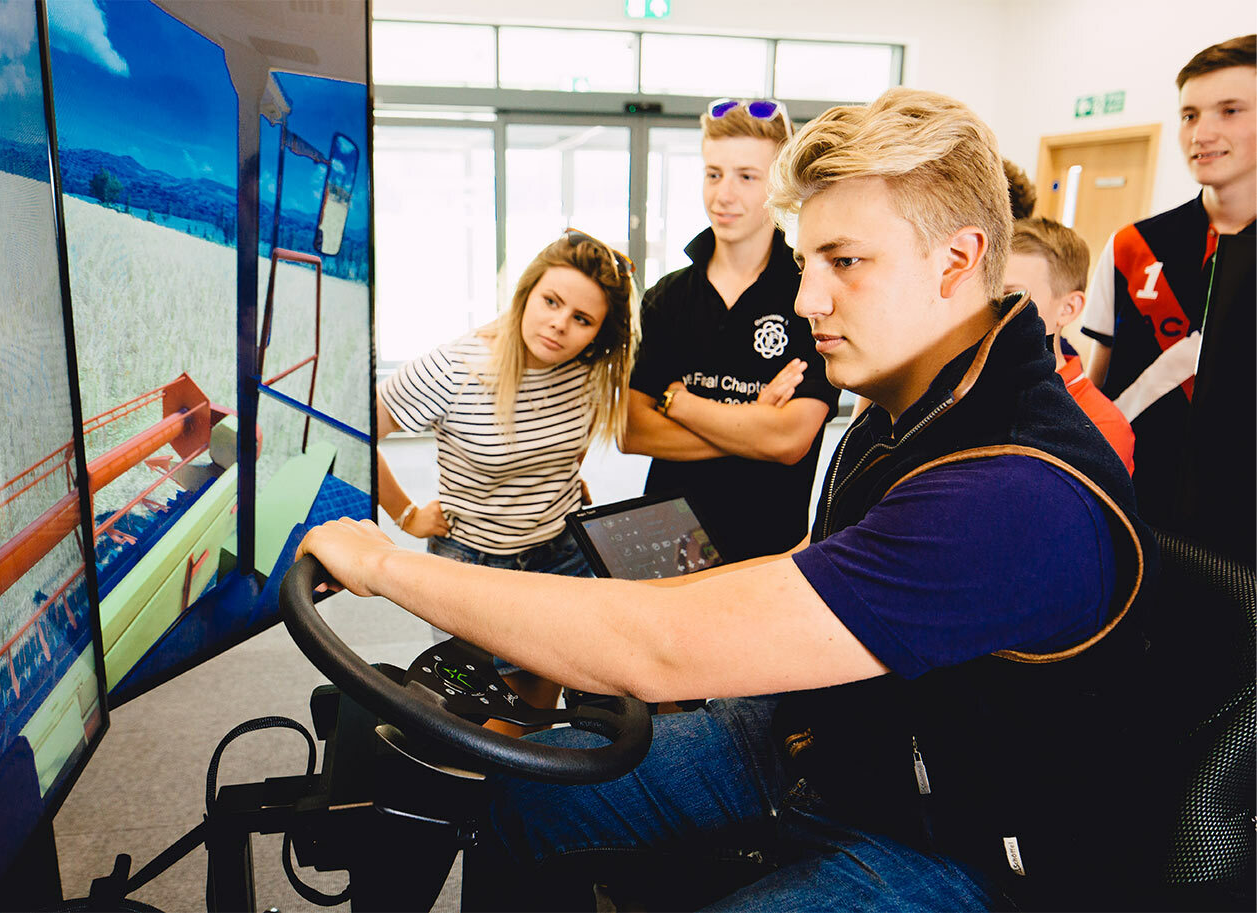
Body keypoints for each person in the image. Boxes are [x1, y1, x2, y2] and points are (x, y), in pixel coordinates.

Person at [299, 88, 1155, 910]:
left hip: (956, 845)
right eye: (809, 259)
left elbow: (664, 651)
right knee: (519, 793)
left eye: (845, 262)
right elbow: (791, 570)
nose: (809, 297)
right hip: (830, 744)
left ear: (959, 259)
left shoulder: (1012, 492)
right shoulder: (905, 408)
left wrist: (383, 565)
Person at [374, 229, 638, 723]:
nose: (559, 325)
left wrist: (557, 481)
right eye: (551, 301)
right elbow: (359, 429)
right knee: (500, 721)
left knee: (565, 693)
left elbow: (570, 441)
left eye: (581, 319)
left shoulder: (586, 368)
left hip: (562, 553)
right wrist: (405, 514)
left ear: (598, 333)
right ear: (526, 292)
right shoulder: (455, 367)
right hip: (475, 563)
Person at [619, 98, 839, 562]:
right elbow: (632, 431)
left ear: (779, 185)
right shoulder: (666, 296)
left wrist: (679, 402)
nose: (724, 194)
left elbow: (787, 441)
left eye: (746, 176)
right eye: (713, 173)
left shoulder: (811, 295)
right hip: (665, 535)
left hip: (764, 543)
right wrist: (751, 424)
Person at [1080, 35, 1255, 545]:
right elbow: (1100, 378)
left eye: (1230, 110)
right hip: (1135, 514)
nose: (1202, 132)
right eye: (1189, 115)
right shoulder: (1134, 246)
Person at [1004, 216, 1135, 470]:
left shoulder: (1101, 425)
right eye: (986, 293)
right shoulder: (961, 389)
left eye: (1012, 295)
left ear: (1068, 308)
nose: (992, 309)